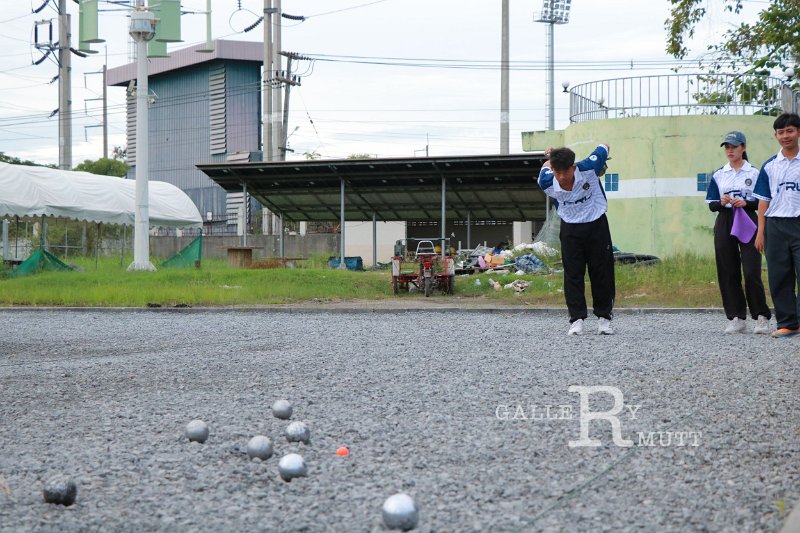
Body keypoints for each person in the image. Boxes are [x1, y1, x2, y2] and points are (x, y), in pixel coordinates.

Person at [538, 144, 615, 335]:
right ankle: (576, 320)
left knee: (601, 272)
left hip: (596, 223)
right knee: (573, 274)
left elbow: (604, 146)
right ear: (553, 170)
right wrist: (551, 156)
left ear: (573, 168)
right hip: (570, 227)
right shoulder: (546, 181)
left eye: (566, 172)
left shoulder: (589, 167)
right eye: (558, 172)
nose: (563, 177)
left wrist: (603, 155)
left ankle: (604, 319)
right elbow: (545, 167)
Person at [705, 131, 771, 334]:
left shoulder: (754, 172)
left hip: (748, 219)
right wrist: (722, 202)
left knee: (751, 270)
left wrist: (747, 203)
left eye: (734, 146)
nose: (730, 150)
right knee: (727, 269)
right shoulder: (719, 174)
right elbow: (711, 205)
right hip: (725, 220)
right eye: (727, 147)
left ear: (743, 147)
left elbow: (762, 200)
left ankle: (761, 316)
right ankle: (736, 317)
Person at [754, 112, 800, 338]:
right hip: (775, 226)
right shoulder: (770, 166)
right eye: (780, 132)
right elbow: (763, 200)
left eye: (790, 131)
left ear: (798, 132)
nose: (785, 136)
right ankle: (789, 324)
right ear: (775, 136)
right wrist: (760, 232)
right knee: (779, 276)